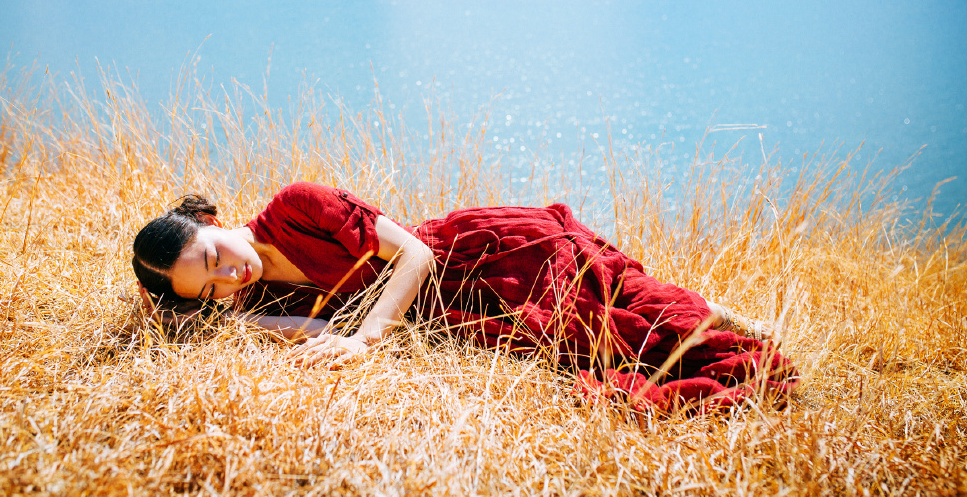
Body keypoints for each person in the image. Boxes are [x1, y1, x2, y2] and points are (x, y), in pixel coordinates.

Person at [133, 182, 797, 412]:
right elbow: (301, 329)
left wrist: (367, 338)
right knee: (587, 339)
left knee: (612, 295)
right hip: (458, 311)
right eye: (209, 286)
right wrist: (188, 309)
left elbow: (415, 254)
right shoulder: (249, 301)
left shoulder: (295, 207)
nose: (229, 276)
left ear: (214, 222)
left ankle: (738, 321)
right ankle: (725, 321)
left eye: (215, 257)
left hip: (479, 253)